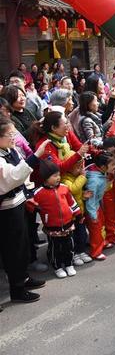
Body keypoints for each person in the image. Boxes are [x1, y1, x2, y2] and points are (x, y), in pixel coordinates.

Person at [0, 115, 49, 303]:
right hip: (7, 209)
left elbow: (22, 172)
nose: (14, 137)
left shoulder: (9, 150)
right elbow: (11, 177)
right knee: (13, 249)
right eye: (10, 134)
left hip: (20, 202)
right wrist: (35, 157)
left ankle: (24, 278)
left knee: (23, 245)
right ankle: (17, 289)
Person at [31, 160, 81, 278]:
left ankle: (69, 264)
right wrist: (35, 208)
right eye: (54, 176)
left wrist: (78, 213)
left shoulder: (64, 188)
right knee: (55, 247)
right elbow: (31, 204)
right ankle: (57, 266)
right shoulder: (39, 192)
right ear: (45, 178)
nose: (58, 177)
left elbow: (71, 202)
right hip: (52, 227)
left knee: (69, 245)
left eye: (58, 175)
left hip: (68, 224)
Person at [61, 158, 93, 266]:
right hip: (71, 215)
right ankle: (74, 254)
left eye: (81, 166)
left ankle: (81, 251)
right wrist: (83, 177)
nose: (80, 169)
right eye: (78, 167)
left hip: (80, 212)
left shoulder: (76, 177)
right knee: (73, 236)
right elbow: (73, 189)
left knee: (82, 234)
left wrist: (83, 195)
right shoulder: (65, 179)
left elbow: (77, 193)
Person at [84, 151, 115, 260]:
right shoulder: (94, 181)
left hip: (97, 205)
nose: (114, 167)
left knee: (101, 225)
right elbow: (90, 200)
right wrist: (93, 215)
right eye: (112, 165)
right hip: (92, 208)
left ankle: (103, 242)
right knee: (95, 229)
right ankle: (95, 252)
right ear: (102, 167)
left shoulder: (101, 173)